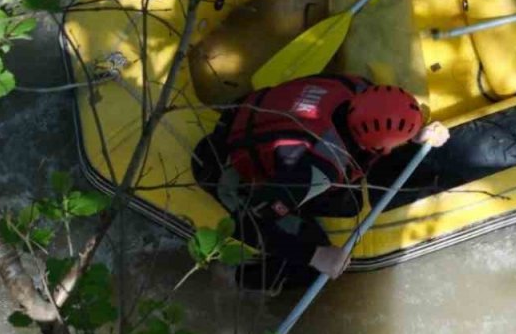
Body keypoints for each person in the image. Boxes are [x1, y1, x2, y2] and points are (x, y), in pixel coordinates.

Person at [193, 75, 450, 292]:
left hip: (249, 113)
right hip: (226, 166)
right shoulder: (318, 171)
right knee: (311, 270)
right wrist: (316, 256)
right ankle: (229, 277)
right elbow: (249, 222)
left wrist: (417, 133)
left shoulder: (357, 87)